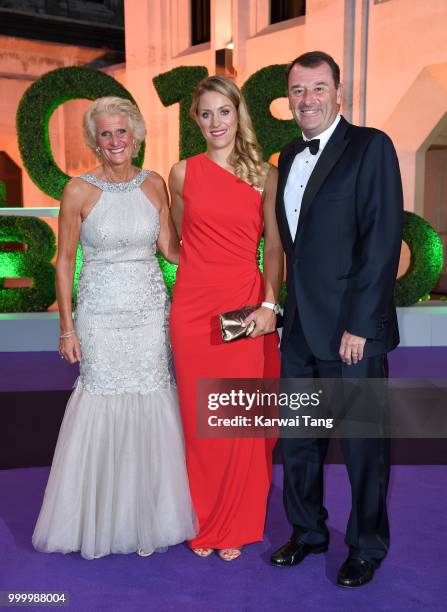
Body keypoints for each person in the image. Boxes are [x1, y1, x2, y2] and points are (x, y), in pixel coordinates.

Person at [32, 96, 196, 559]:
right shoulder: (77, 190)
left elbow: (170, 249)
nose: (115, 141)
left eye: (122, 131)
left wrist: (226, 255)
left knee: (152, 397)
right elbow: (64, 262)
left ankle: (152, 516)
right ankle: (96, 518)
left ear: (136, 133)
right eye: (105, 133)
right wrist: (66, 328)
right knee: (102, 399)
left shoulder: (155, 184)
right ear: (94, 140)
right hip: (101, 314)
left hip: (148, 312)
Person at [270, 52, 403, 587]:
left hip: (352, 330)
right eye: (298, 90)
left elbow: (381, 239)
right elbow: (295, 248)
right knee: (299, 441)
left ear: (338, 92)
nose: (307, 99)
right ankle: (308, 532)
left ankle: (366, 546)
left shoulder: (371, 146)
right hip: (300, 328)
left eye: (318, 88)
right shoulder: (286, 154)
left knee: (362, 447)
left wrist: (362, 325)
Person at [169, 76, 283, 561]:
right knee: (199, 420)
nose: (216, 122)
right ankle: (202, 518)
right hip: (193, 309)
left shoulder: (265, 174)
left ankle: (234, 520)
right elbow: (172, 242)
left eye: (224, 111)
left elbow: (274, 248)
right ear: (196, 119)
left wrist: (269, 306)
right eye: (206, 113)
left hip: (246, 307)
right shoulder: (180, 173)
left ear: (240, 114)